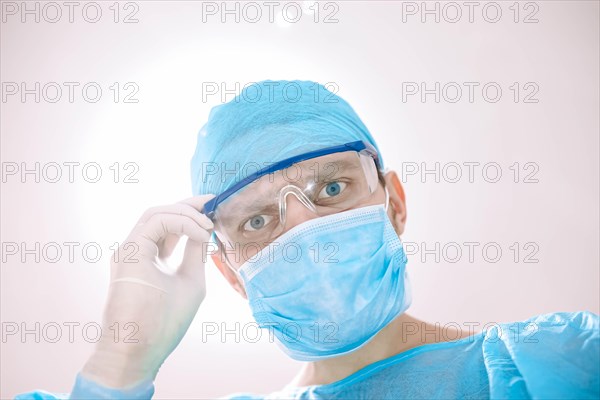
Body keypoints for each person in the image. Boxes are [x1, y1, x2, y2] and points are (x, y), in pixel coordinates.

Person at [16, 80, 599, 400]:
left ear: (393, 204)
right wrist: (120, 362)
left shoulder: (558, 365)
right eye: (257, 221)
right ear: (232, 275)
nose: (303, 229)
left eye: (331, 188)